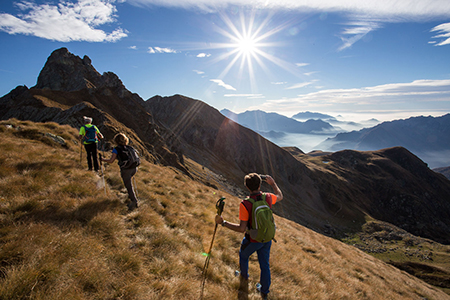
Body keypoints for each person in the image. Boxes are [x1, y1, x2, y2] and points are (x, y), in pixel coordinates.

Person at [215, 173, 283, 300]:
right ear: (260, 184)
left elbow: (241, 228)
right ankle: (264, 291)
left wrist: (223, 223)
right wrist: (273, 184)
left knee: (243, 255)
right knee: (265, 265)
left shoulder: (245, 204)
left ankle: (244, 277)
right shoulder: (268, 197)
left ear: (247, 187)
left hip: (253, 239)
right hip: (267, 238)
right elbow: (280, 196)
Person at [101, 133, 139, 211]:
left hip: (126, 170)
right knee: (129, 183)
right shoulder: (130, 147)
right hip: (134, 168)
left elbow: (111, 161)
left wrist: (102, 159)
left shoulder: (116, 149)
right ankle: (131, 196)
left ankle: (134, 201)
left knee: (129, 186)